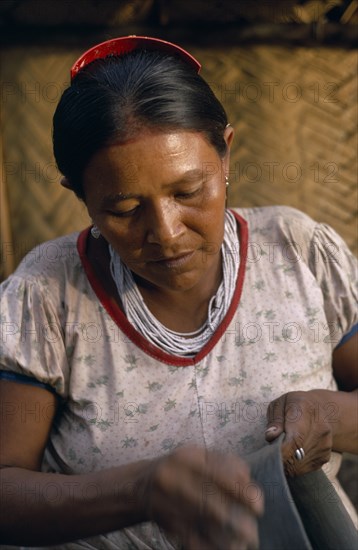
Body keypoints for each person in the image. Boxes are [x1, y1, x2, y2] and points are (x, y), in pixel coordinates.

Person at [0, 36, 357, 549]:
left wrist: (332, 416)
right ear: (80, 195)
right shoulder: (46, 297)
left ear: (226, 154)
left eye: (189, 192)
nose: (166, 232)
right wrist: (139, 491)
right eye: (123, 210)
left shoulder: (299, 252)